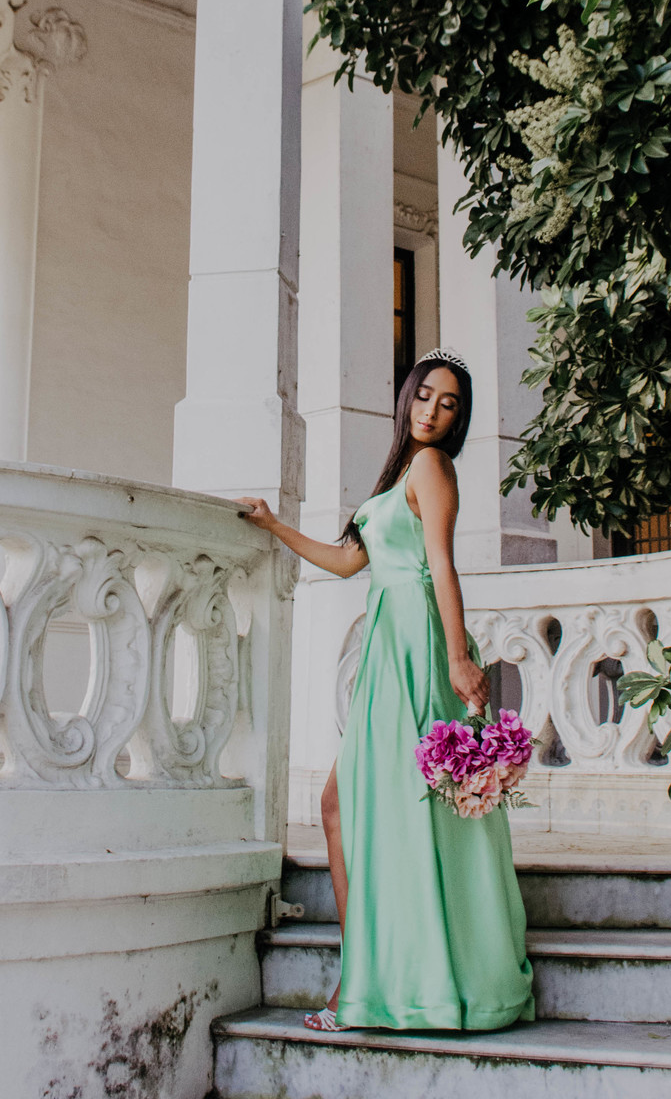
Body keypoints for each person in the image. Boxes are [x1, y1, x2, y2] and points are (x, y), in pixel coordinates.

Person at [240, 348, 534, 1034]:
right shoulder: (399, 471)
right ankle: (365, 979)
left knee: (391, 807)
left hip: (418, 644)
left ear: (458, 419)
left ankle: (373, 986)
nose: (433, 411)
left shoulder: (432, 467)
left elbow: (440, 567)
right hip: (386, 647)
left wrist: (457, 659)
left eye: (449, 404)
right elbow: (349, 561)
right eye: (425, 396)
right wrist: (274, 525)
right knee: (344, 806)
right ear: (407, 398)